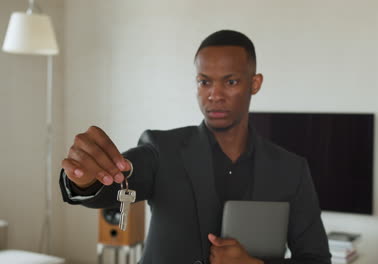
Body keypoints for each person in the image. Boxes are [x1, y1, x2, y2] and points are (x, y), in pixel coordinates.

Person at [59, 30, 331, 264]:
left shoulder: (291, 169)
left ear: (255, 83)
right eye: (204, 82)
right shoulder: (160, 149)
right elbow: (113, 185)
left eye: (231, 81)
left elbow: (316, 259)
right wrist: (84, 180)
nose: (214, 94)